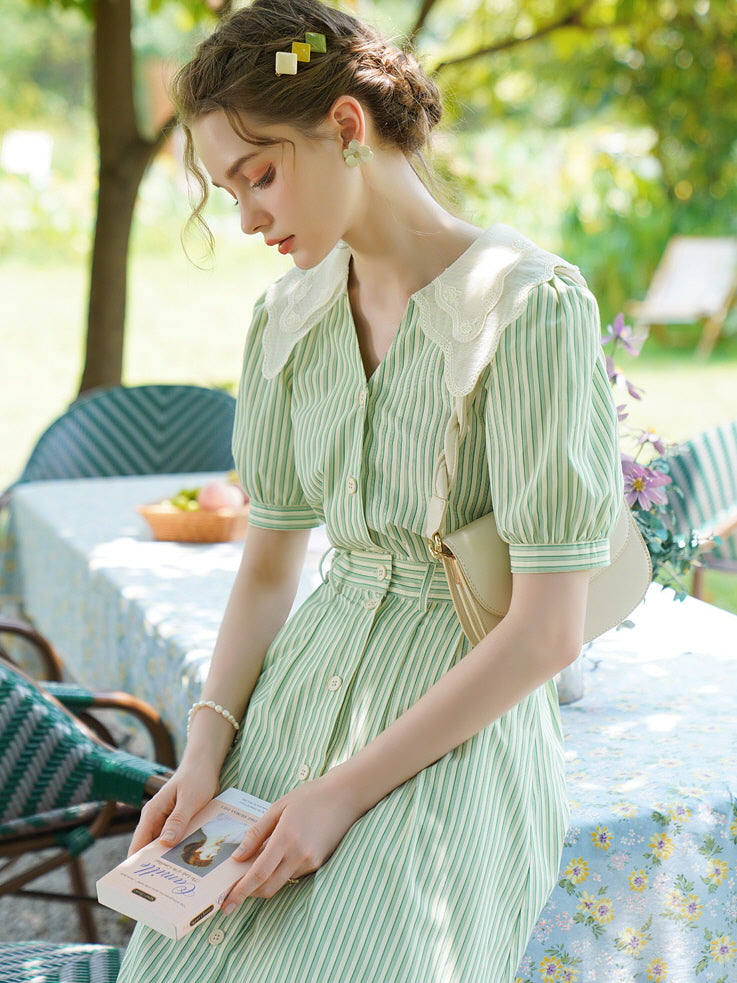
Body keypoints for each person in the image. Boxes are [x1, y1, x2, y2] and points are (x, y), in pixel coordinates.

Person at [118, 0, 622, 980]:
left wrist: (340, 792)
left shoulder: (528, 309)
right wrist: (203, 752)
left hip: (451, 737)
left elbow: (546, 631)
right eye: (227, 192)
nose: (248, 217)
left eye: (257, 176)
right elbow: (268, 565)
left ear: (346, 127)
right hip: (297, 708)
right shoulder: (286, 320)